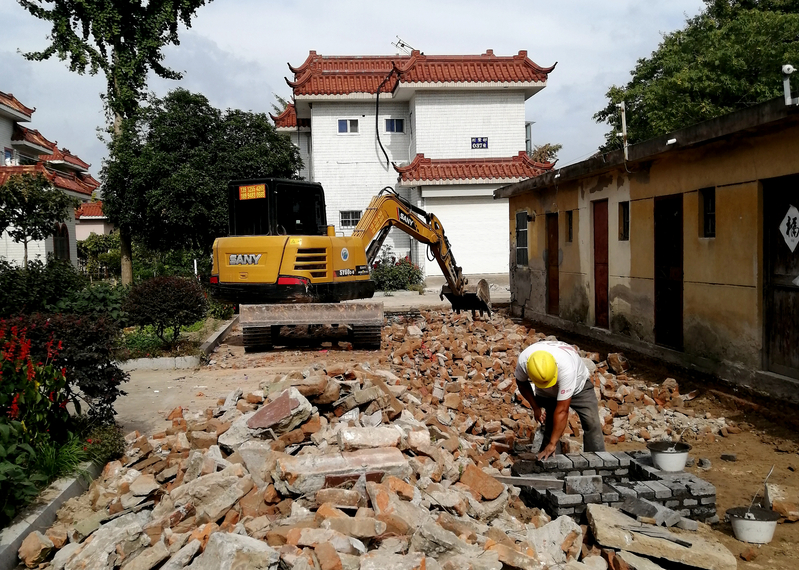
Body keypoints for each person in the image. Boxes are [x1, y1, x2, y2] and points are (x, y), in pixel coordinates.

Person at [514, 340, 605, 460]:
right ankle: (549, 460)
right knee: (550, 424)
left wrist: (552, 444)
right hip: (546, 393)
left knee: (591, 423)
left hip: (579, 387)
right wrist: (535, 407)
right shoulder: (524, 362)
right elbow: (521, 383)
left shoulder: (566, 368)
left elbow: (562, 410)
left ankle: (597, 460)